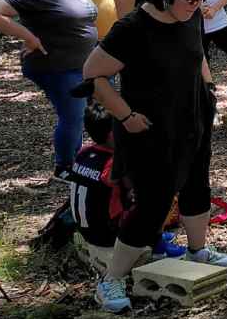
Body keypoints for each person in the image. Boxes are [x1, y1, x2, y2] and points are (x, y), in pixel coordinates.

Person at [83, 0, 227, 313]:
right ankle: (112, 279)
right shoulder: (133, 28)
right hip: (151, 127)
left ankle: (198, 250)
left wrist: (210, 88)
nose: (199, 5)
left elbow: (197, 53)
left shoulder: (191, 15)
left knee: (197, 184)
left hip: (193, 115)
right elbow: (93, 74)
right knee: (152, 203)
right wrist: (125, 115)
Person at [0, 0, 97, 180]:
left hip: (85, 62)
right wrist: (29, 37)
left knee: (86, 115)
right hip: (55, 64)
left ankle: (81, 161)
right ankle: (65, 168)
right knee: (73, 115)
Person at [65, 102, 185, 259]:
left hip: (87, 229)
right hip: (109, 235)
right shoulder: (115, 163)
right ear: (112, 134)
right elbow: (139, 186)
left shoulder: (84, 152)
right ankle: (157, 248)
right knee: (157, 197)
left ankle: (148, 236)